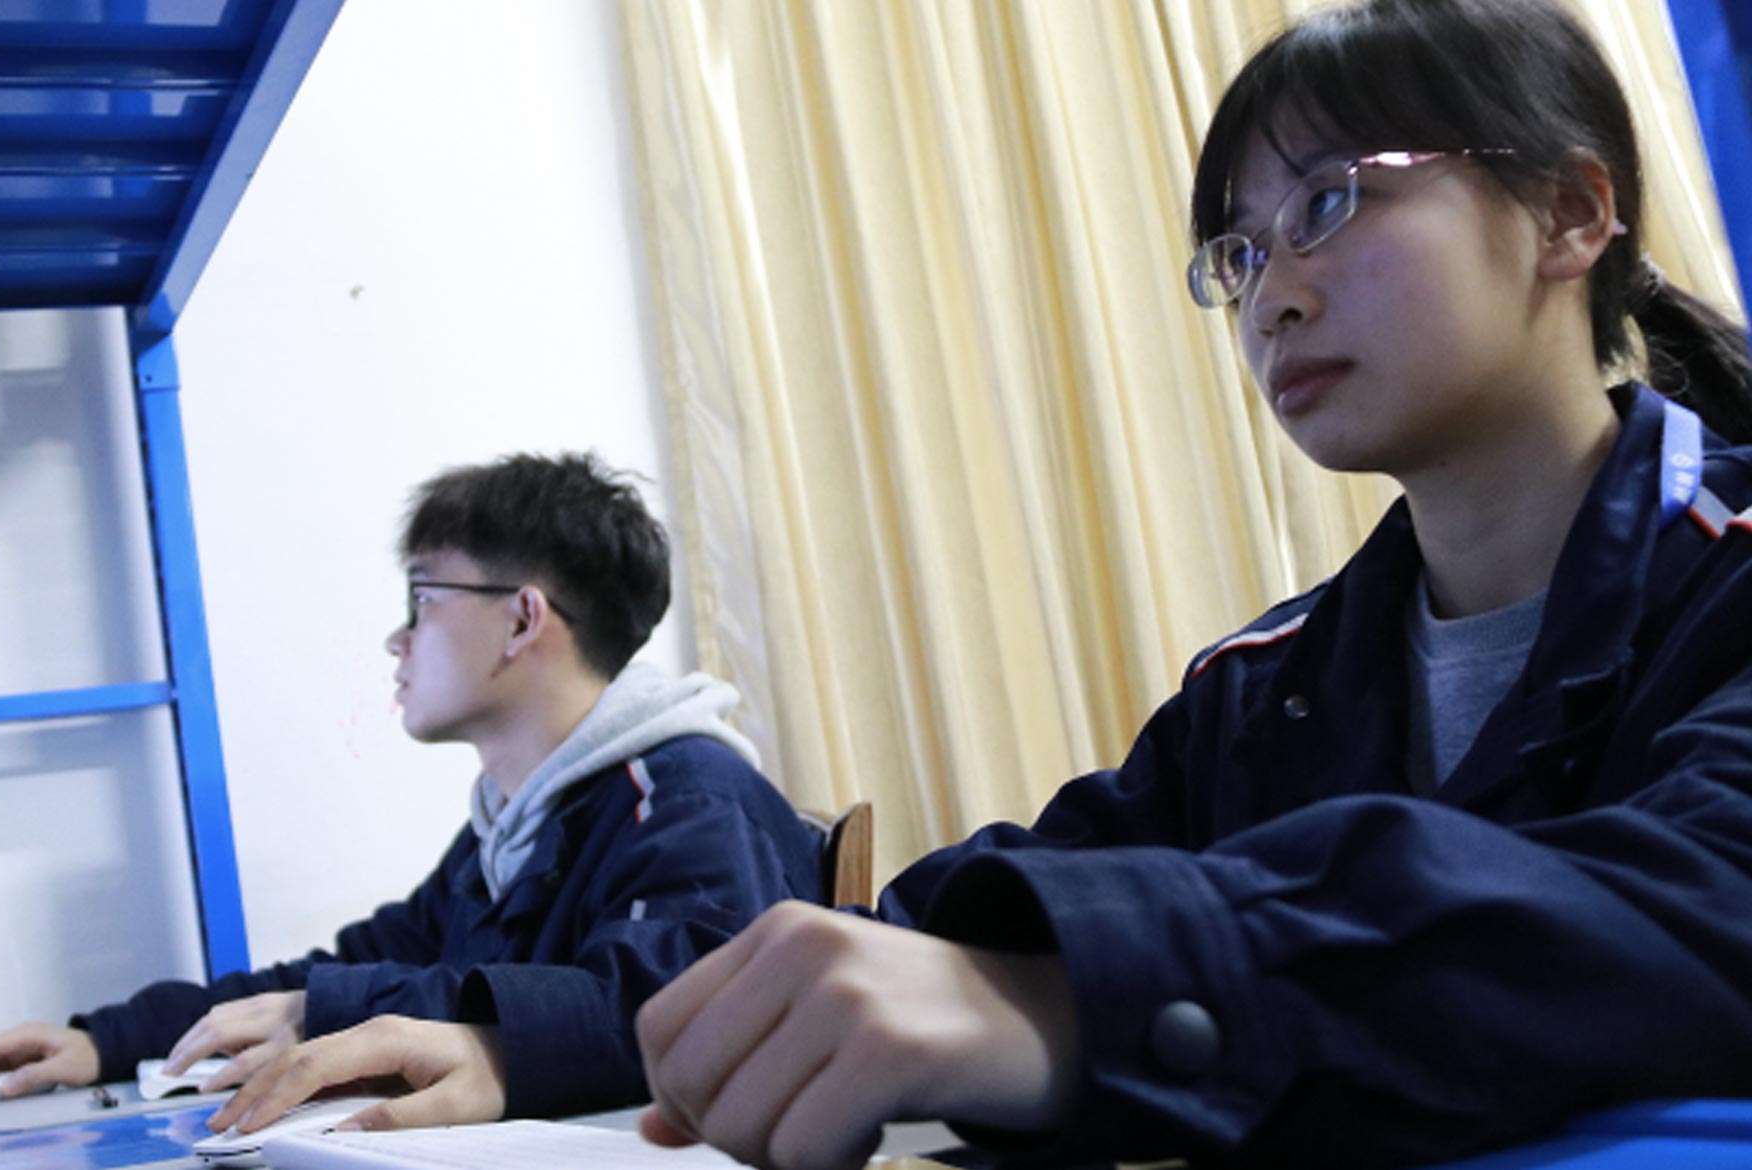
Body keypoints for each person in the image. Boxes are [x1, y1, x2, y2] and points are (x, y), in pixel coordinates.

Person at [629, 2, 1752, 1168]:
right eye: (1241, 254)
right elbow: (998, 902)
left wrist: (1074, 1006)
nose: (1271, 301)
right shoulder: (1264, 684)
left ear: (1569, 213)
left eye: (1330, 203)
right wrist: (607, 1034)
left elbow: (1698, 901)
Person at [0, 452, 819, 1128]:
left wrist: (331, 1009)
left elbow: (666, 1009)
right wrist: (107, 1041)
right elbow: (352, 968)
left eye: (423, 599)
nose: (397, 641)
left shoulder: (690, 796)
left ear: (522, 618)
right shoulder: (509, 829)